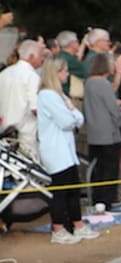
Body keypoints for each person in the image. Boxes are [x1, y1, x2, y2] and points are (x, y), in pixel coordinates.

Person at [37, 56, 98, 244]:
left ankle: (77, 224)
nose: (67, 74)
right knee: (61, 191)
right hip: (56, 150)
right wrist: (71, 112)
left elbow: (78, 118)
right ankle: (58, 228)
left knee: (73, 188)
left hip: (66, 150)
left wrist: (71, 112)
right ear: (55, 73)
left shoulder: (60, 95)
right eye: (64, 71)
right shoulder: (47, 95)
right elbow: (67, 121)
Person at [82, 52, 121, 209]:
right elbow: (112, 108)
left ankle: (97, 200)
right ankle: (108, 202)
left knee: (97, 169)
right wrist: (119, 119)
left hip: (93, 133)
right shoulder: (103, 84)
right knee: (110, 169)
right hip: (108, 134)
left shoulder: (88, 83)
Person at [0, 38, 47, 161]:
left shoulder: (4, 73)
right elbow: (35, 108)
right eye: (41, 56)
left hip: (4, 131)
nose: (42, 59)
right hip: (25, 133)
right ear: (31, 56)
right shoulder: (32, 76)